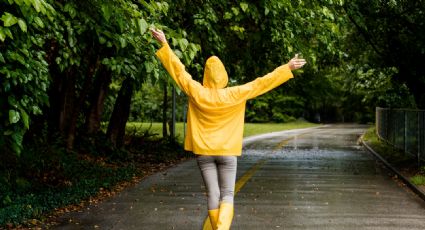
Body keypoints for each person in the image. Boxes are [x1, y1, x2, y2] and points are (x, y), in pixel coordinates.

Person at [150, 28, 306, 230]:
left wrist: (165, 44)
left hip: (204, 152)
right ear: (223, 75)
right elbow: (261, 83)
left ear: (206, 75)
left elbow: (179, 72)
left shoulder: (197, 91)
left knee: (213, 195)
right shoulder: (235, 94)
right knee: (227, 195)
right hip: (227, 152)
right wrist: (287, 67)